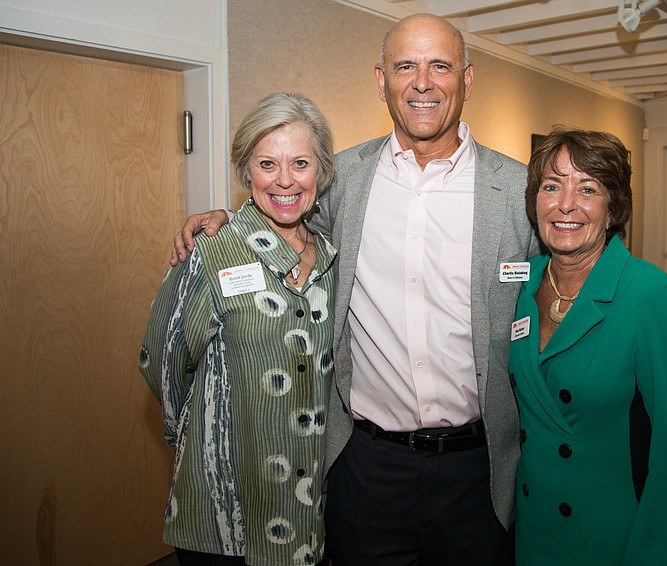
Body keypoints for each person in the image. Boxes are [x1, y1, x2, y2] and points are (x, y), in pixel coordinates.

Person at [171, 14, 537, 565]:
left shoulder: (517, 189)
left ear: (467, 79)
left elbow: (566, 285)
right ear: (381, 80)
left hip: (478, 470)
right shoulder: (344, 179)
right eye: (405, 66)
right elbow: (284, 205)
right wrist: (229, 219)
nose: (422, 82)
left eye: (440, 66)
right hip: (366, 469)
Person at [139, 92, 337, 566]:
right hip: (224, 509)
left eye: (301, 163)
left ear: (321, 171)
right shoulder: (211, 251)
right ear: (246, 171)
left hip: (309, 508)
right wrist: (205, 437)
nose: (285, 180)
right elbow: (162, 361)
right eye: (267, 164)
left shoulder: (333, 257)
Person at [509, 127, 667, 565]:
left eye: (588, 188)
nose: (565, 204)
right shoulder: (522, 282)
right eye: (551, 186)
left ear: (614, 208)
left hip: (605, 535)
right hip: (532, 525)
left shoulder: (651, 295)